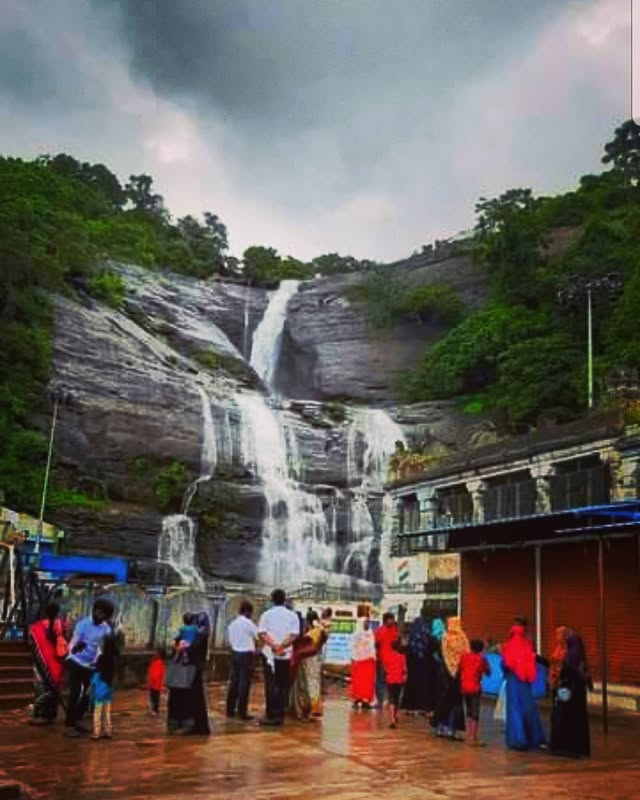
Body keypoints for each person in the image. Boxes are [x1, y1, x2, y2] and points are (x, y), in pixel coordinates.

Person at [64, 597, 114, 737]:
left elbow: (103, 648)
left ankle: (78, 719)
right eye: (99, 612)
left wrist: (99, 662)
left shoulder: (106, 629)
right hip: (76, 661)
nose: (100, 615)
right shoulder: (83, 624)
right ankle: (69, 725)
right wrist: (75, 648)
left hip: (92, 665)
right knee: (75, 692)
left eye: (104, 614)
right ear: (94, 610)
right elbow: (72, 643)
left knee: (88, 694)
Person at [501, 617, 546, 751]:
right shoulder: (527, 644)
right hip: (525, 681)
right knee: (528, 708)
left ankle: (518, 739)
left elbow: (506, 663)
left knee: (515, 709)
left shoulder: (509, 644)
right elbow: (531, 660)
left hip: (513, 680)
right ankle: (533, 737)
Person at [258, 588, 301, 726]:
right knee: (283, 685)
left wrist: (274, 646)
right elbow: (294, 635)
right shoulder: (292, 615)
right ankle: (280, 715)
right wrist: (282, 646)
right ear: (285, 600)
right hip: (286, 655)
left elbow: (262, 633)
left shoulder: (266, 615)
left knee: (270, 685)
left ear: (272, 600)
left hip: (269, 654)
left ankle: (270, 714)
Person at [549, 626, 592, 758]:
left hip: (566, 688)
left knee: (563, 716)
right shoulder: (575, 654)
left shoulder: (569, 655)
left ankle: (565, 747)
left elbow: (565, 668)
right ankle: (574, 747)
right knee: (569, 716)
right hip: (570, 690)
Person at [167, 610, 211, 735]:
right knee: (190, 699)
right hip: (191, 671)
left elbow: (178, 649)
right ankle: (187, 724)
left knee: (181, 698)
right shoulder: (200, 634)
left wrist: (180, 648)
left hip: (184, 671)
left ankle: (180, 723)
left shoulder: (191, 634)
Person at [28, 602, 67, 725]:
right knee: (54, 688)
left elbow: (32, 645)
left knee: (42, 687)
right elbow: (65, 641)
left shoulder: (35, 628)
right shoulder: (61, 625)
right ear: (57, 612)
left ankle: (39, 712)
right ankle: (51, 714)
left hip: (41, 662)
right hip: (56, 662)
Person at [431, 616, 469, 740]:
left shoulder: (445, 638)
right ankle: (453, 730)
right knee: (457, 702)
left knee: (444, 700)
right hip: (459, 674)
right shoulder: (463, 638)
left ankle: (440, 727)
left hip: (445, 674)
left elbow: (442, 654)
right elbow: (466, 654)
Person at [226, 600, 258, 721]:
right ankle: (242, 711)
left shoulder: (232, 624)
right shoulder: (248, 623)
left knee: (234, 681)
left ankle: (230, 709)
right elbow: (258, 636)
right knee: (244, 683)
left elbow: (230, 640)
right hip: (246, 655)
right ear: (248, 612)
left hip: (235, 653)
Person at [401, 606, 436, 716]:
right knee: (425, 685)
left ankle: (410, 707)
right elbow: (432, 644)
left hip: (412, 660)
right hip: (425, 662)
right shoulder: (427, 628)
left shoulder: (414, 627)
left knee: (412, 683)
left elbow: (408, 644)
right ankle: (424, 707)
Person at [460, 638, 491, 746]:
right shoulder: (481, 659)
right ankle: (473, 738)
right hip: (475, 688)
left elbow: (460, 668)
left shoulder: (464, 657)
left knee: (468, 711)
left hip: (464, 687)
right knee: (475, 713)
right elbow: (488, 672)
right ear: (481, 649)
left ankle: (468, 736)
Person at [90, 633, 119, 740]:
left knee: (97, 711)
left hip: (100, 688)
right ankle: (108, 731)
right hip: (109, 688)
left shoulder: (101, 658)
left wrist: (92, 686)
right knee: (107, 711)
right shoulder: (113, 659)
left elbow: (96, 672)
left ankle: (96, 733)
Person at [350, 617, 376, 709]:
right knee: (358, 682)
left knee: (368, 683)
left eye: (368, 622)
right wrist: (354, 658)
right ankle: (357, 700)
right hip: (358, 660)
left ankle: (366, 701)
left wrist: (373, 657)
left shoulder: (371, 633)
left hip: (369, 661)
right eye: (366, 622)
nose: (367, 624)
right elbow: (353, 647)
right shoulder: (356, 634)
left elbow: (372, 647)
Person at [374, 612, 398, 709]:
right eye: (390, 619)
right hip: (381, 659)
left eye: (393, 619)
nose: (392, 621)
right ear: (385, 620)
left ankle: (388, 700)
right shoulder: (380, 631)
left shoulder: (394, 630)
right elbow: (376, 644)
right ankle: (381, 701)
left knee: (390, 681)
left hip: (391, 660)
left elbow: (396, 644)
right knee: (380, 680)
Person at [385, 638, 407, 729]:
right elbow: (404, 670)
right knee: (397, 699)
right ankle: (395, 715)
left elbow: (386, 668)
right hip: (399, 680)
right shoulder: (402, 657)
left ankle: (392, 719)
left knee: (391, 699)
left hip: (390, 680)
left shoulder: (388, 656)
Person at [147, 648, 166, 716]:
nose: (155, 654)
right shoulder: (154, 662)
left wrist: (153, 680)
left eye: (156, 653)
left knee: (155, 697)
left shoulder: (159, 663)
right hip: (153, 683)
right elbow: (151, 672)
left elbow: (157, 674)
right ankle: (154, 709)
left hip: (156, 684)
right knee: (153, 697)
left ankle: (155, 710)